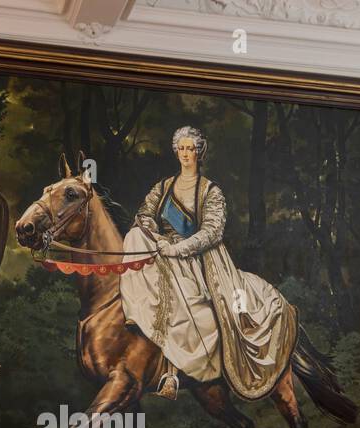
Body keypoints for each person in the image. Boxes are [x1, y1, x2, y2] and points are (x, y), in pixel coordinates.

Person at [121, 125, 293, 400]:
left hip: (202, 258)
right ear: (175, 151)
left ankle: (179, 372)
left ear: (199, 153)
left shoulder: (211, 191)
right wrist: (154, 235)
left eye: (191, 149)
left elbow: (212, 232)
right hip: (164, 251)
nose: (185, 154)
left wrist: (179, 249)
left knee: (195, 305)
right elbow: (144, 214)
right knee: (133, 238)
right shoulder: (164, 187)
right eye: (181, 148)